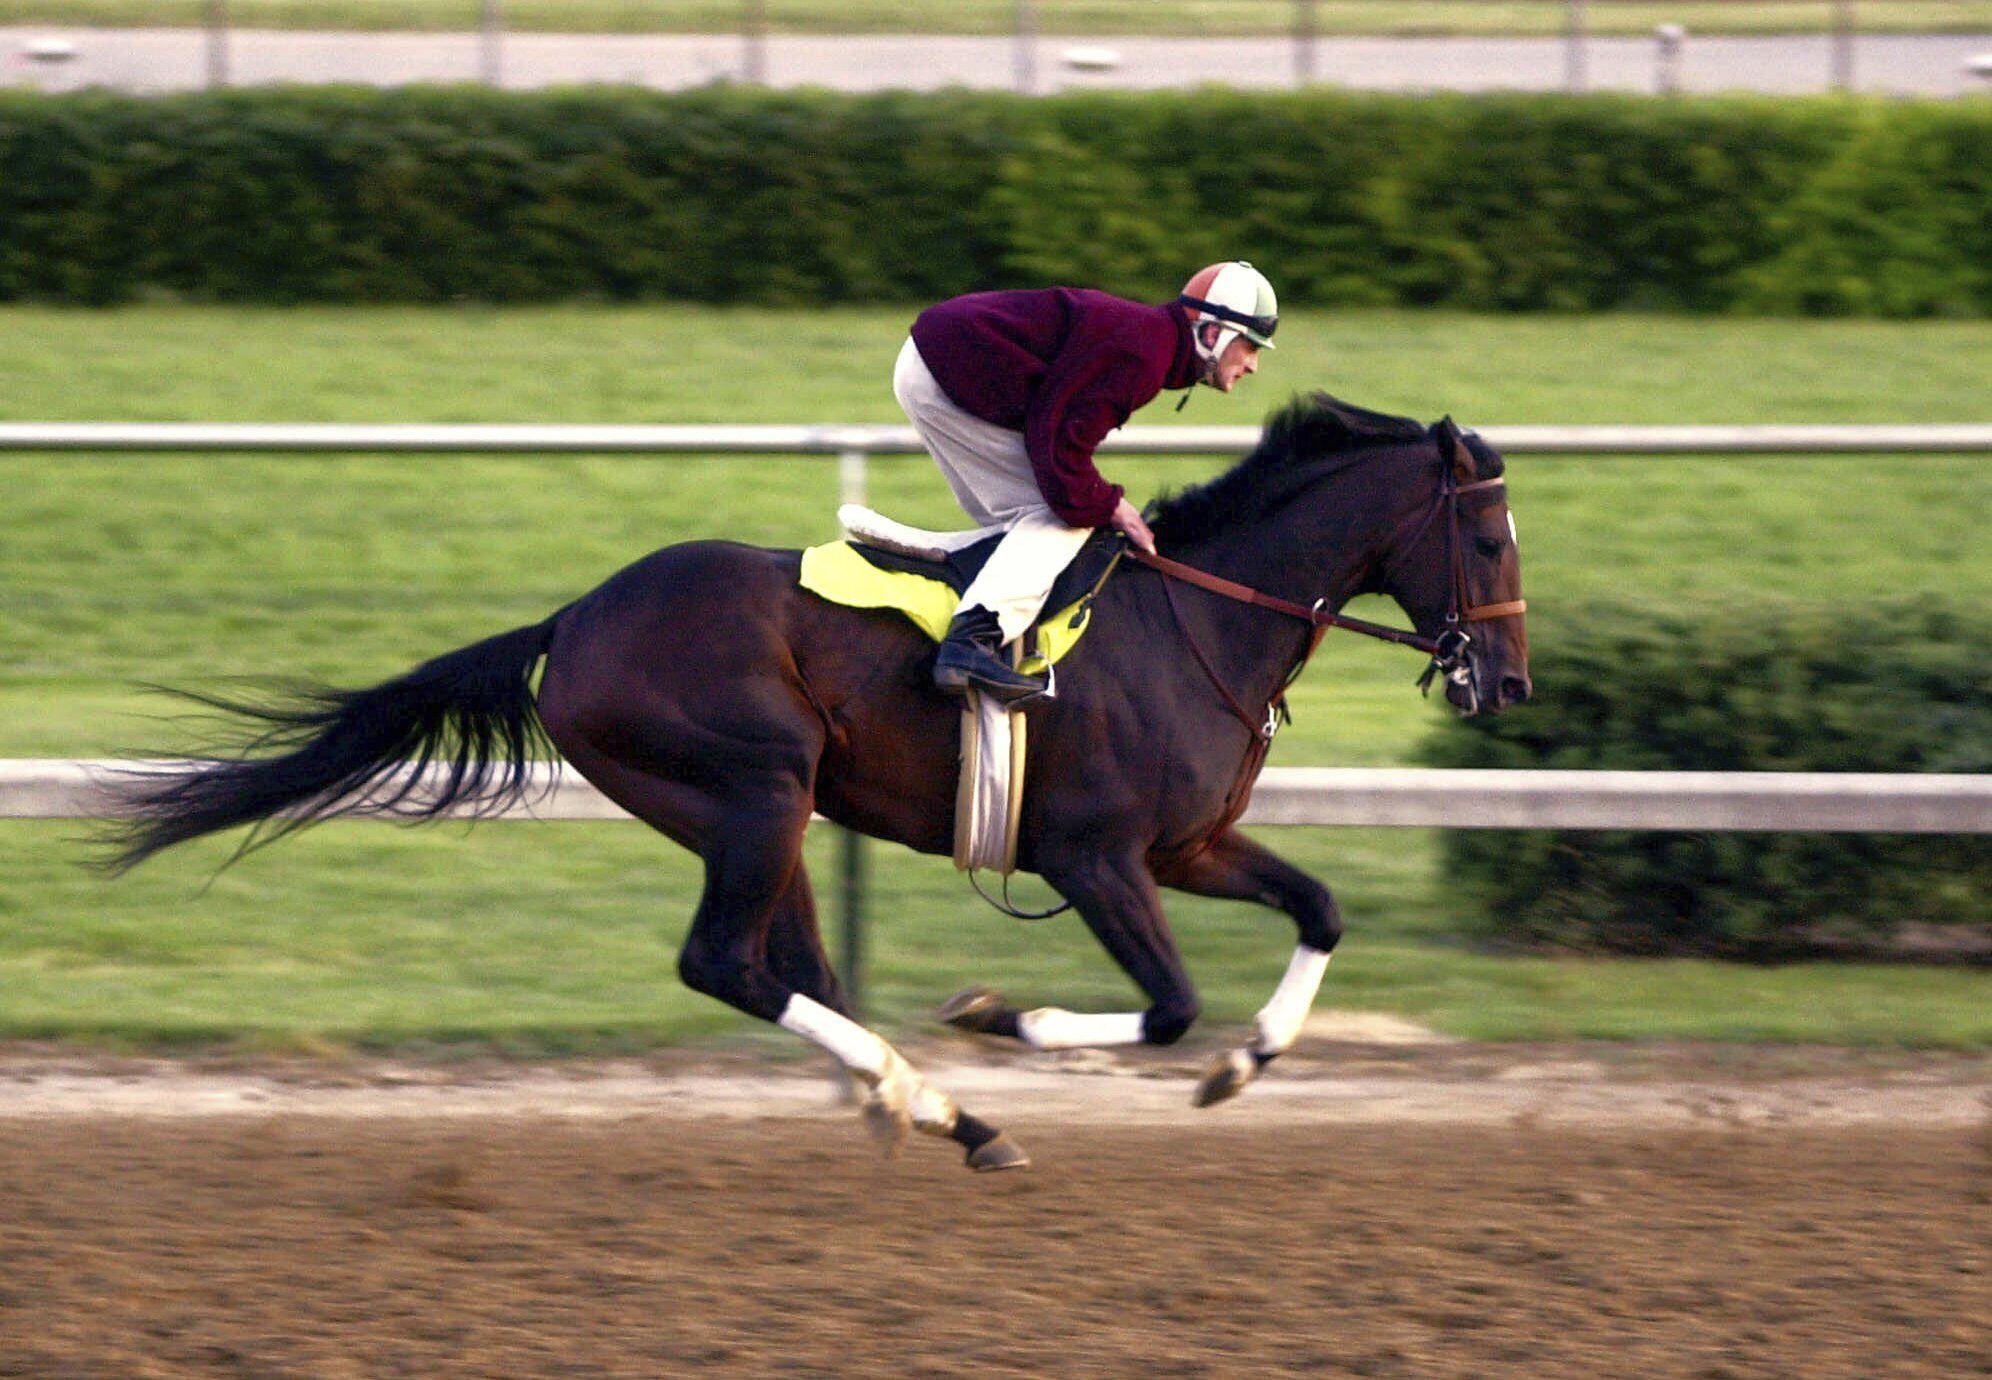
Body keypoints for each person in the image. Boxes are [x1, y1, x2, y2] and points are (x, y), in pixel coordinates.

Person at [894, 261, 1278, 706]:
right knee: (1060, 518)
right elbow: (1060, 451)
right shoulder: (1144, 356)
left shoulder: (1150, 344)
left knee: (1038, 521)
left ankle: (987, 628)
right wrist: (1112, 505)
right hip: (945, 371)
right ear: (1213, 334)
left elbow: (1055, 438)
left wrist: (1101, 503)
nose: (1253, 365)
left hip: (935, 363)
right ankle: (969, 643)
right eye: (1250, 346)